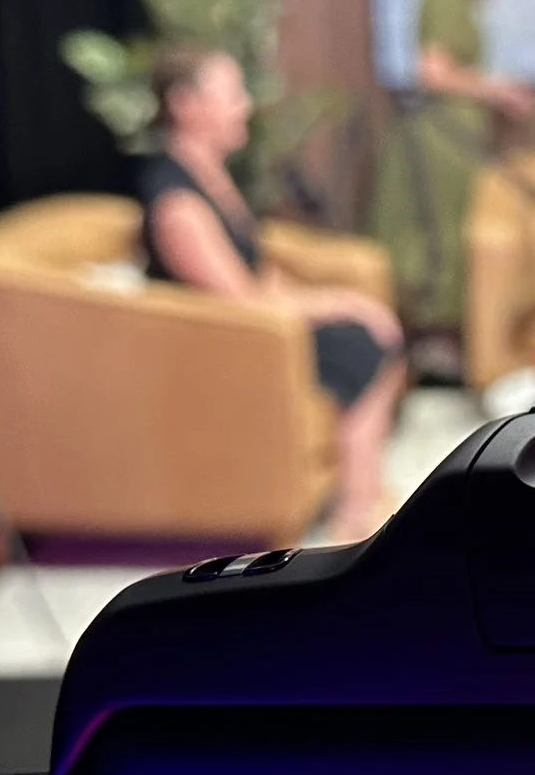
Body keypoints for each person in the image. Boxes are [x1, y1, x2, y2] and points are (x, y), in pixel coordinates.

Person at [140, 45, 406, 543]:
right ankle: (356, 510)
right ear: (185, 104)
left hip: (258, 331)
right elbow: (239, 300)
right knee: (362, 347)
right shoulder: (176, 202)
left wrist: (339, 299)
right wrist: (340, 304)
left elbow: (256, 272)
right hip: (224, 349)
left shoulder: (213, 176)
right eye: (233, 94)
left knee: (371, 334)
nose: (245, 106)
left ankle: (363, 491)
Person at [364, 0, 535, 360]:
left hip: (459, 135)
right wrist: (494, 89)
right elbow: (433, 74)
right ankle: (435, 341)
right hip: (442, 137)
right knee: (444, 236)